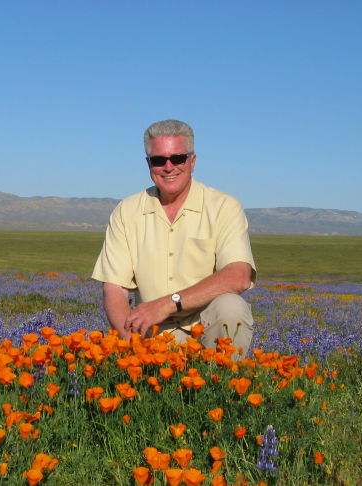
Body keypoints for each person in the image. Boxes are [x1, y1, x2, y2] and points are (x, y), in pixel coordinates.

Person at [92, 119, 256, 357]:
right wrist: (131, 345)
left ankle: (223, 385)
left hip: (205, 325)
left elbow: (238, 276)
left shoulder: (223, 207)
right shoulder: (127, 210)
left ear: (192, 161)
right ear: (148, 164)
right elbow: (114, 288)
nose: (168, 167)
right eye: (159, 160)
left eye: (177, 158)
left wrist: (168, 303)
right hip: (153, 330)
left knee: (232, 308)